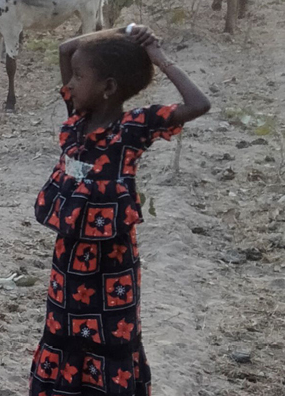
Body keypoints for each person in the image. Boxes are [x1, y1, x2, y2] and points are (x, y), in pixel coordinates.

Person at [29, 25, 209, 396]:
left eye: (80, 77)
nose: (72, 84)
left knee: (111, 337)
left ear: (109, 87)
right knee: (64, 333)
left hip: (113, 269)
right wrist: (125, 32)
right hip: (69, 264)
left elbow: (198, 104)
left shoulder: (132, 128)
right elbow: (66, 48)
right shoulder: (77, 119)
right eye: (73, 77)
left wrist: (157, 57)